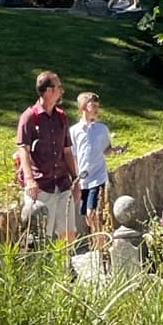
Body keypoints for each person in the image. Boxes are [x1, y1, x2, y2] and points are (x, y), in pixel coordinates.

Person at [16, 70, 80, 244]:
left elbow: (66, 151)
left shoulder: (61, 117)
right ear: (48, 91)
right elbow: (23, 150)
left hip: (62, 184)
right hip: (41, 187)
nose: (62, 90)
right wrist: (30, 180)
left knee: (68, 234)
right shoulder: (29, 117)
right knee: (41, 237)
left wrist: (75, 181)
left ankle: (66, 268)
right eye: (59, 86)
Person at [69, 91, 121, 241]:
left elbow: (106, 149)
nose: (97, 109)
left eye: (98, 106)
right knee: (86, 213)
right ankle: (97, 238)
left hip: (98, 176)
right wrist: (76, 176)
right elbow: (73, 155)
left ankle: (100, 243)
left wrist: (114, 150)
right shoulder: (74, 131)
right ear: (83, 107)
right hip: (83, 178)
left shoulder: (102, 129)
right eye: (93, 105)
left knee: (93, 211)